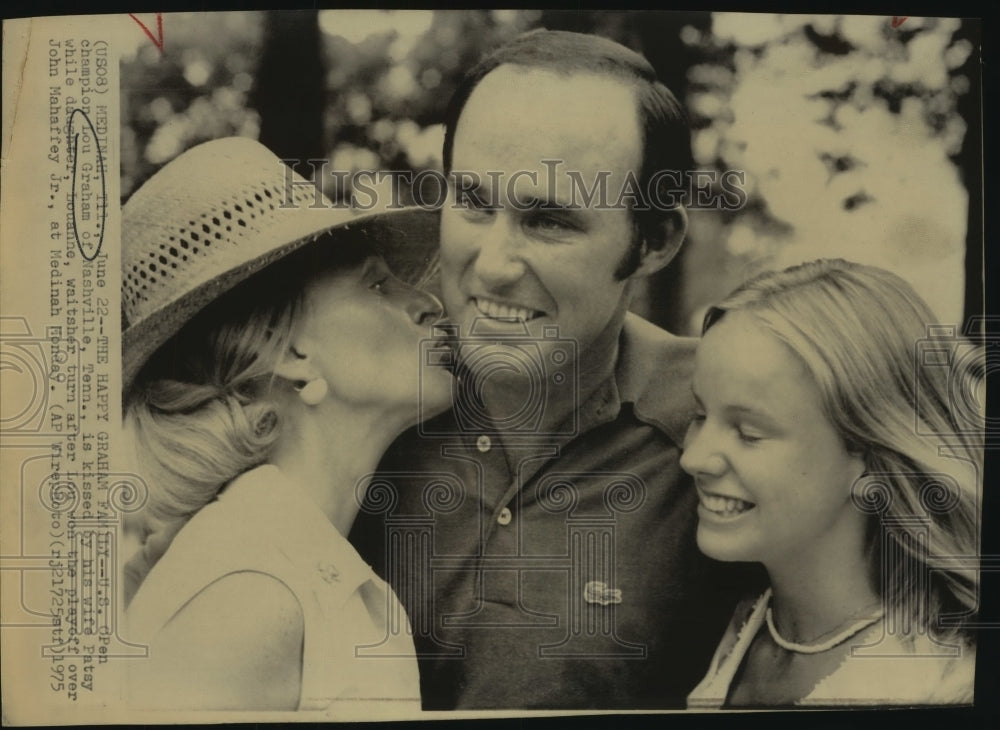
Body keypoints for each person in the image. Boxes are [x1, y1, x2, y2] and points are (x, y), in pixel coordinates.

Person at [350, 29, 755, 709]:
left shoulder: (722, 432)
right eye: (474, 203)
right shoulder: (361, 401)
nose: (496, 265)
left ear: (653, 242)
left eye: (549, 221)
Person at [121, 137, 449, 712]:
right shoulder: (249, 593)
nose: (427, 303)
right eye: (376, 284)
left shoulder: (291, 566)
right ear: (290, 352)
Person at [683, 259, 980, 707]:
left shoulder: (934, 687)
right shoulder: (747, 620)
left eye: (749, 433)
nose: (693, 458)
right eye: (699, 416)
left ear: (869, 453)